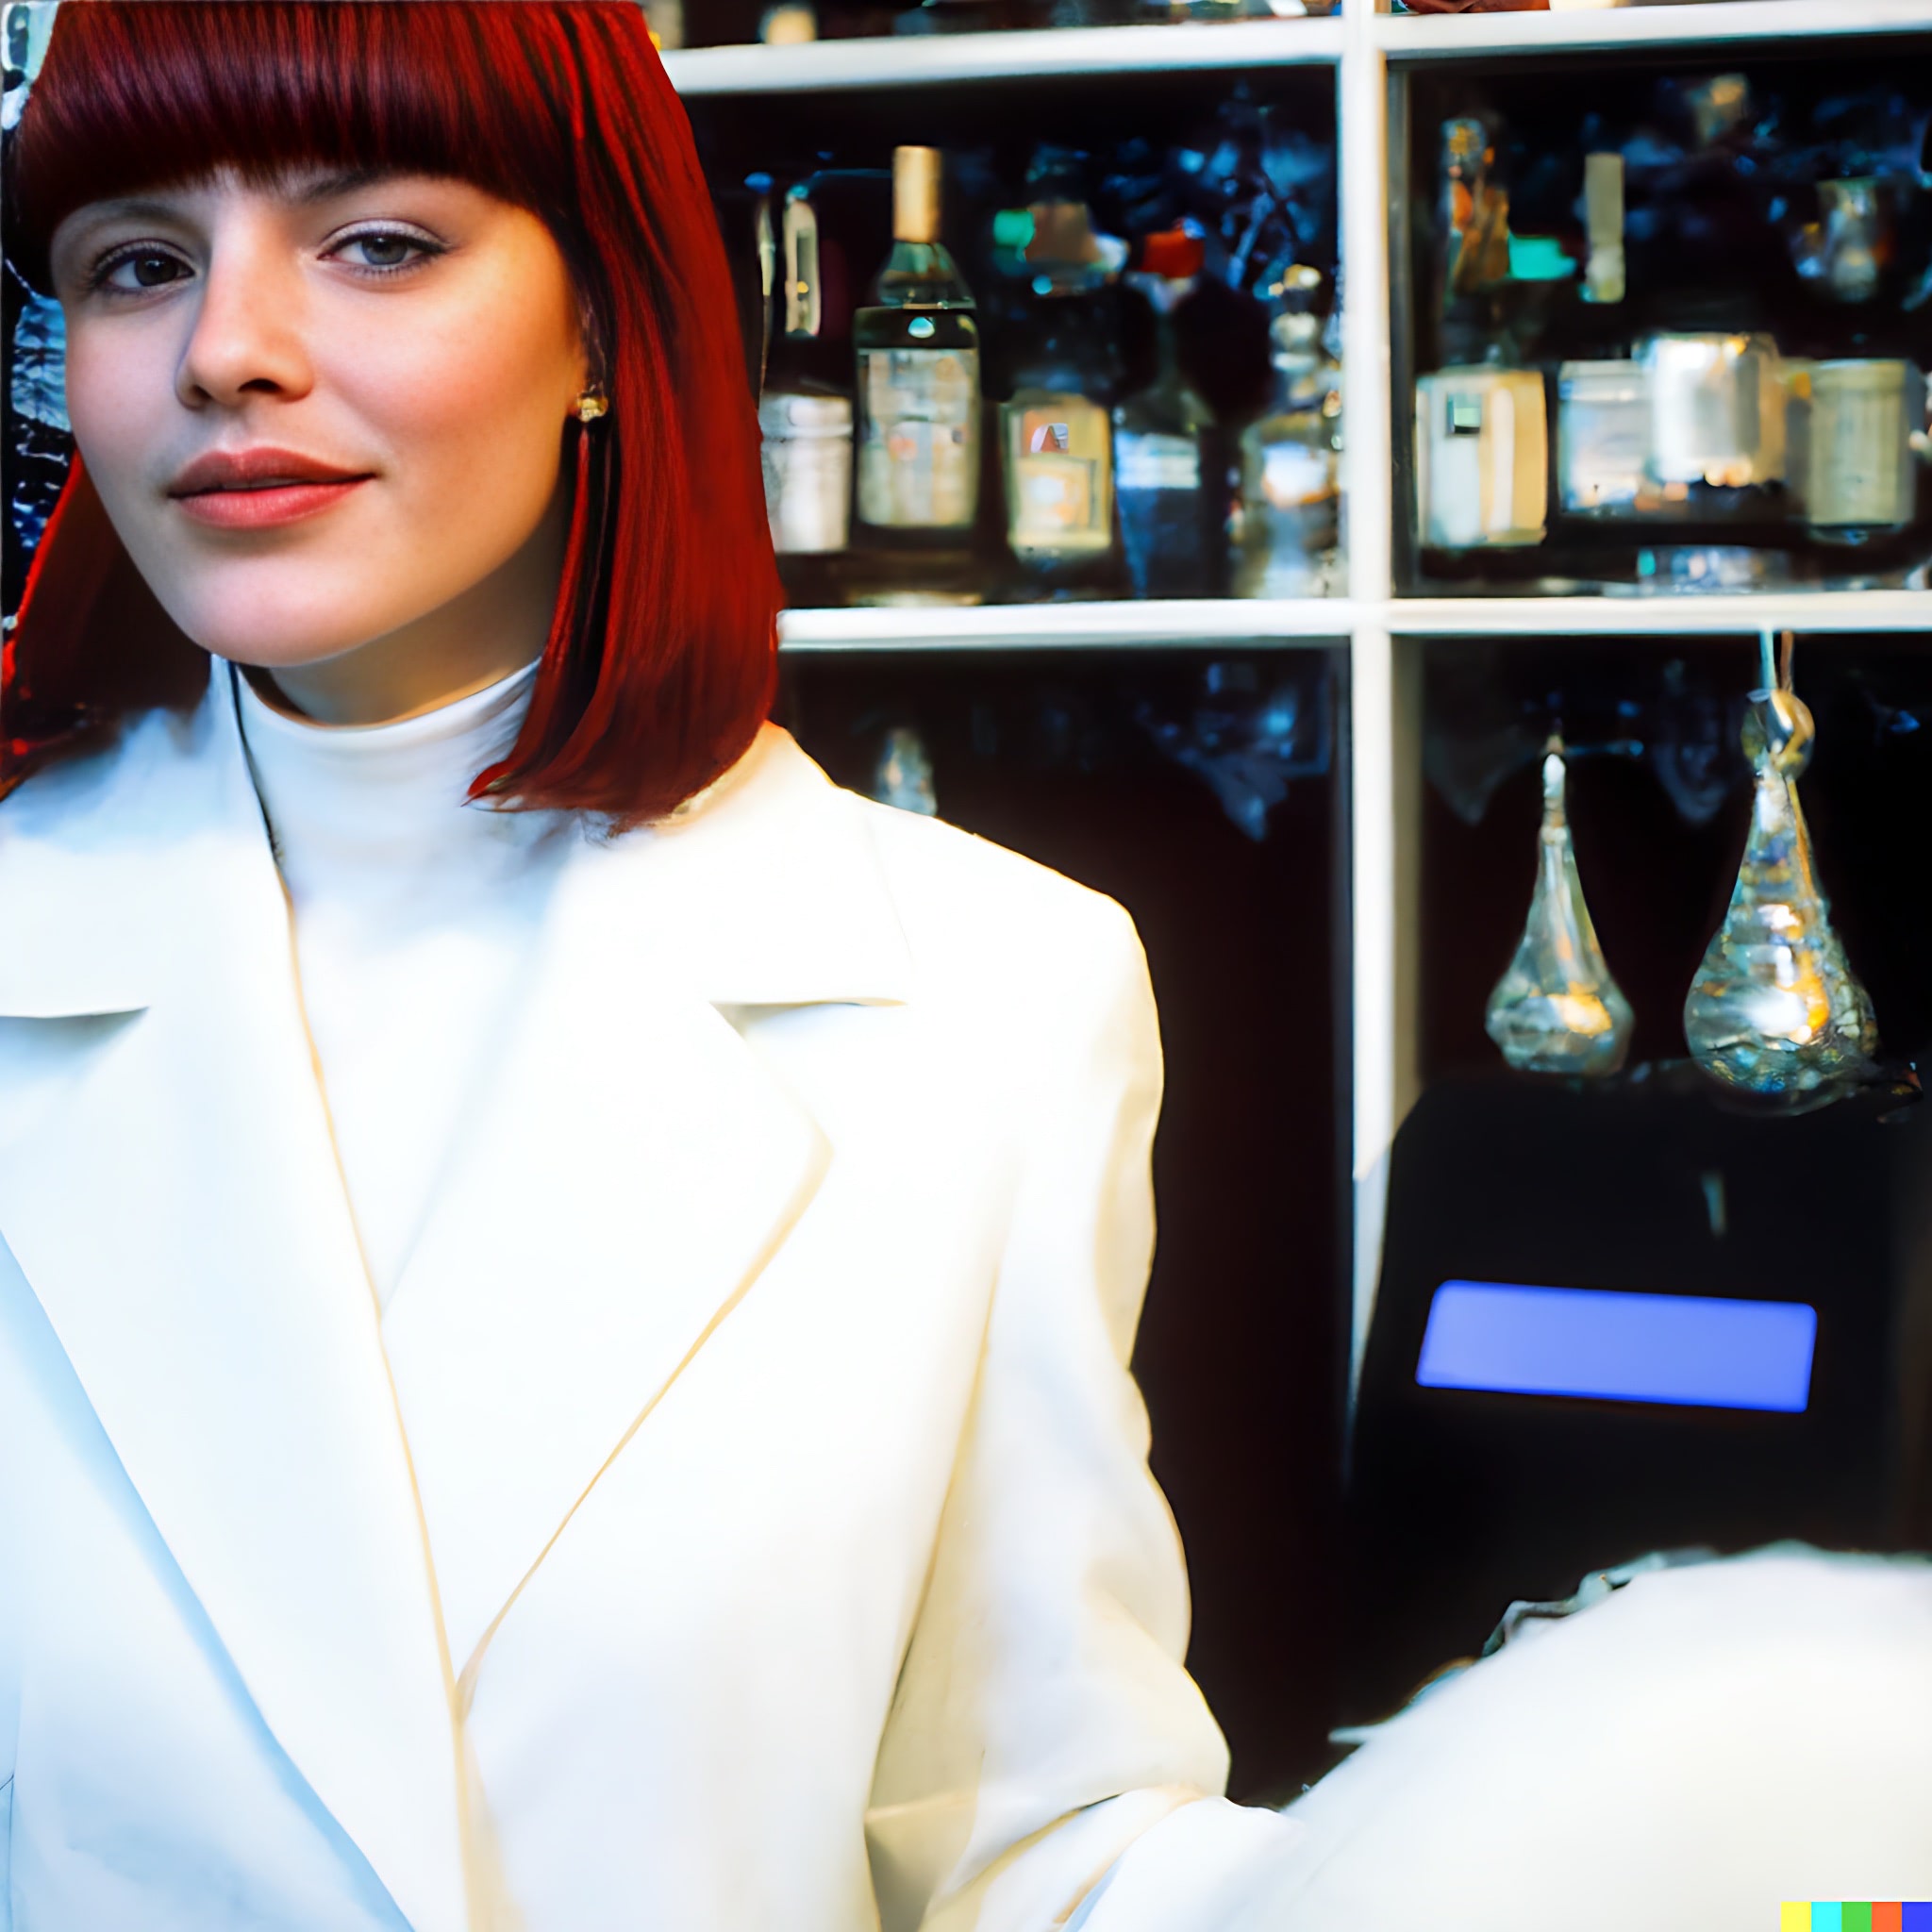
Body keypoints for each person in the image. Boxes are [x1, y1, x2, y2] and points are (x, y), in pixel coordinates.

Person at [0, 6, 1924, 1929]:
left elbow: (1029, 1840)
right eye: (136, 265)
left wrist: (1602, 1834)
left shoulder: (990, 990)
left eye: (379, 244)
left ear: (605, 322)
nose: (225, 350)